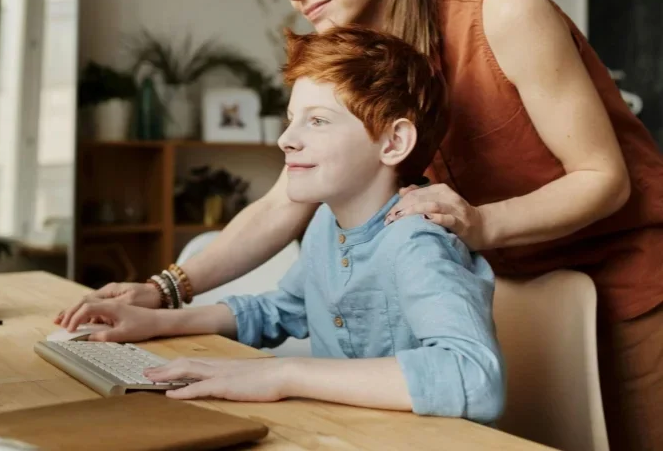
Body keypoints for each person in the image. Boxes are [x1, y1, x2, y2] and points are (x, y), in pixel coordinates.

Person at [61, 0, 663, 449]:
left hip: (626, 281)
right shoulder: (353, 53)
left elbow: (603, 178)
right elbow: (283, 203)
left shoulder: (501, 10)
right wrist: (166, 290)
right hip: (507, 288)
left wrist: (481, 224)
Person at [63, 26, 506, 423]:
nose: (286, 138)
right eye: (292, 119)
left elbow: (474, 376)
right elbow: (283, 310)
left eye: (316, 121)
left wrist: (282, 375)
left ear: (393, 142)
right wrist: (157, 321)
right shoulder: (325, 227)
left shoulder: (417, 241)